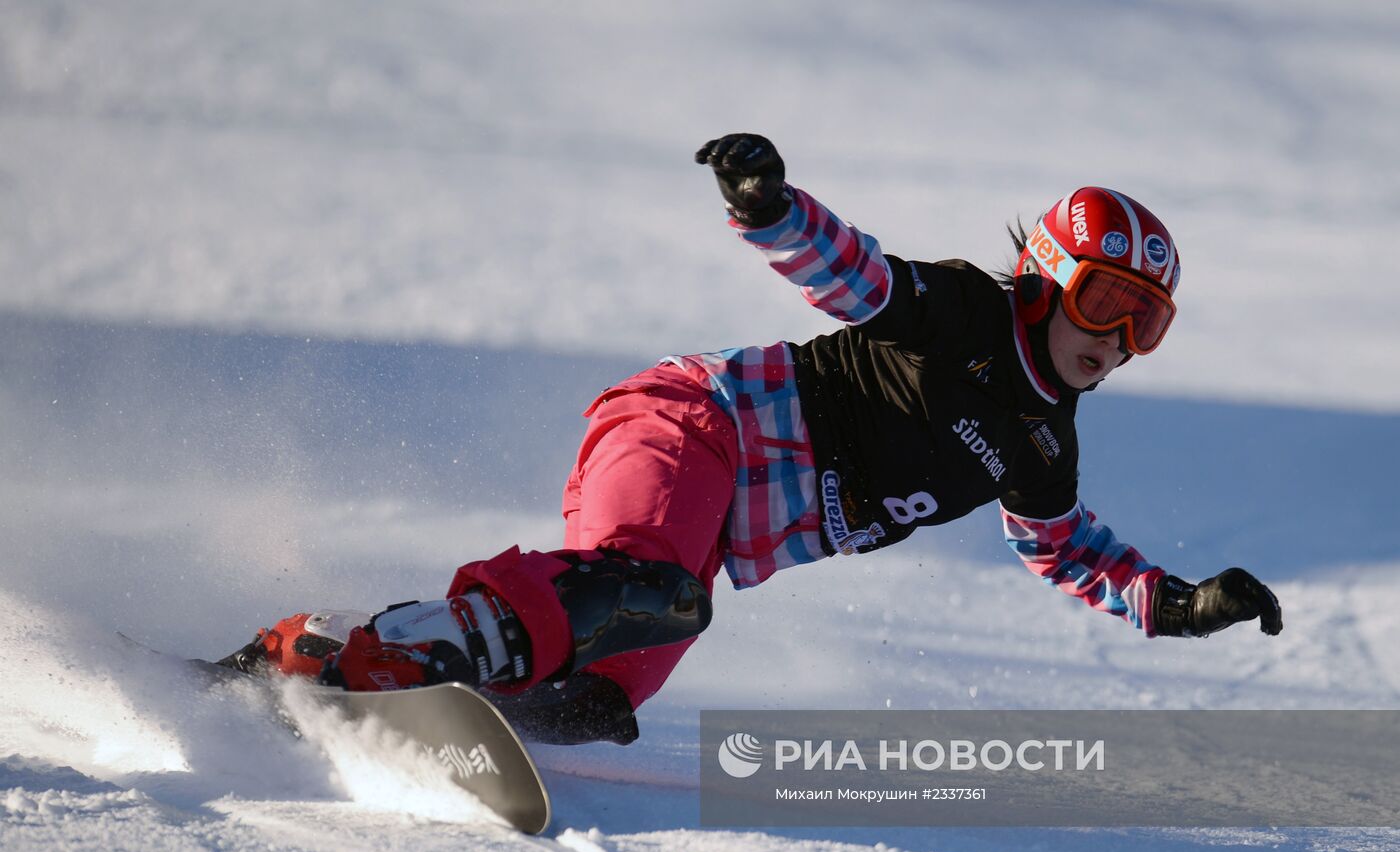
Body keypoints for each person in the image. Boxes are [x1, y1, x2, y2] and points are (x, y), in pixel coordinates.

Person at [218, 133, 1283, 745]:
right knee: (644, 590)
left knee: (602, 689)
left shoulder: (1045, 448)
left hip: (709, 542)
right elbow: (857, 276)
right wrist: (770, 211)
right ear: (1045, 276)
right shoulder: (962, 314)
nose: (1115, 339)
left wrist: (1174, 604)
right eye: (1103, 300)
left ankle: (381, 659)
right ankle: (363, 655)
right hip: (691, 424)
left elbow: (1060, 545)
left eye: (1145, 323)